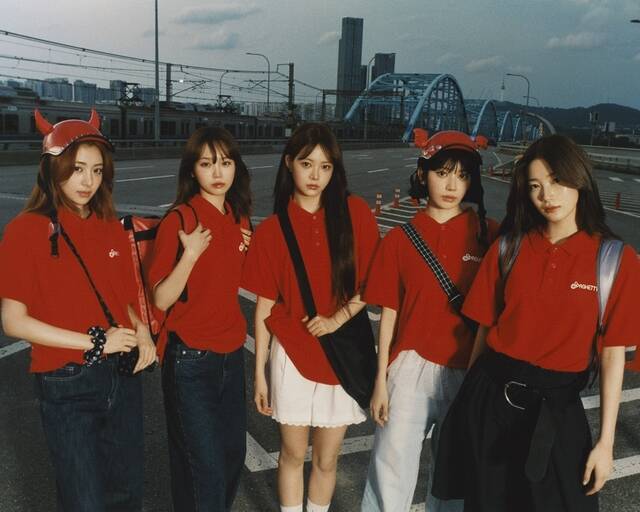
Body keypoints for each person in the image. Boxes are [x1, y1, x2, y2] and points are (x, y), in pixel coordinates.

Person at [432, 134, 639, 511]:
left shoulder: (613, 260)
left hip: (557, 411)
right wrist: (465, 408)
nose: (547, 195)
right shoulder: (508, 248)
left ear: (579, 179)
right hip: (490, 401)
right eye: (535, 186)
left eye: (557, 180)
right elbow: (483, 332)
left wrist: (606, 443)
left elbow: (612, 356)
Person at [0, 109, 156, 511]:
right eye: (77, 169)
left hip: (121, 376)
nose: (88, 181)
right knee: (83, 500)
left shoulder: (109, 226)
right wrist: (97, 342)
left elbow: (122, 298)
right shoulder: (26, 230)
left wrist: (142, 332)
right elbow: (13, 321)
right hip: (66, 380)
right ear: (53, 169)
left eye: (97, 170)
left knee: (127, 494)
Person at [242, 123, 379, 512]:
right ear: (289, 163)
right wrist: (260, 373)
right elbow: (264, 306)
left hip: (340, 357)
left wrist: (337, 319)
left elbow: (373, 282)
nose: (316, 175)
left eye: (325, 166)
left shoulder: (354, 213)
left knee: (327, 459)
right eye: (307, 164)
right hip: (292, 355)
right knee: (291, 453)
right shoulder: (273, 230)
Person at [360, 129, 498, 512]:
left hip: (468, 369)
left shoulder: (489, 235)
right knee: (391, 471)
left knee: (455, 479)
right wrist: (381, 381)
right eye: (442, 173)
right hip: (410, 368)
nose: (452, 185)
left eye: (462, 175)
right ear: (423, 174)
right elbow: (388, 313)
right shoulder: (400, 239)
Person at [147, 126, 252, 512]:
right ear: (192, 170)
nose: (218, 172)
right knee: (203, 471)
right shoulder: (181, 219)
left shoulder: (239, 218)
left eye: (225, 162)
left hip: (231, 356)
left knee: (231, 457)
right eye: (207, 164)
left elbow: (238, 277)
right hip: (190, 360)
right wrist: (189, 255)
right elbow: (161, 298)